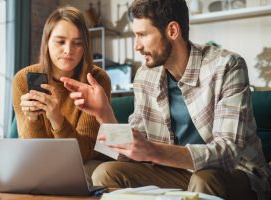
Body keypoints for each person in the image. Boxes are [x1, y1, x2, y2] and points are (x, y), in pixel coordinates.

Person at [60, 0, 271, 199]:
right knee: (106, 173)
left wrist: (153, 151)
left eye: (142, 35)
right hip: (174, 172)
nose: (137, 46)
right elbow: (129, 153)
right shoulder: (146, 75)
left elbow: (228, 153)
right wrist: (103, 114)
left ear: (172, 31)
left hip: (236, 173)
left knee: (204, 179)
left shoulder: (227, 66)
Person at [12, 6, 111, 165]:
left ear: (85, 47)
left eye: (77, 43)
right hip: (41, 164)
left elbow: (84, 154)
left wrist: (57, 119)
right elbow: (34, 155)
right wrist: (32, 119)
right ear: (47, 42)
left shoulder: (97, 79)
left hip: (86, 164)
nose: (68, 50)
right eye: (60, 42)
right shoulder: (22, 79)